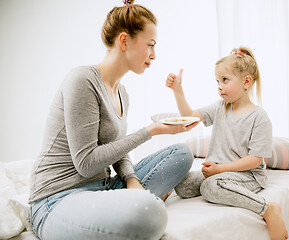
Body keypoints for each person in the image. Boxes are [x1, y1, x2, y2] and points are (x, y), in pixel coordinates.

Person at [28, 1, 198, 240]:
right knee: (152, 215)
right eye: (150, 45)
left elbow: (116, 149)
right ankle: (136, 207)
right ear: (124, 41)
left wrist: (131, 180)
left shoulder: (122, 93)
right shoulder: (82, 80)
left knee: (182, 153)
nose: (154, 55)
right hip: (58, 199)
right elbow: (86, 163)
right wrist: (150, 131)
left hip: (104, 188)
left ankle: (128, 203)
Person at [165, 47, 289, 240]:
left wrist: (220, 169)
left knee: (210, 187)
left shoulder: (259, 117)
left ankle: (268, 209)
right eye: (217, 81)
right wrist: (178, 91)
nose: (219, 86)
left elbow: (254, 160)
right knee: (182, 184)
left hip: (248, 175)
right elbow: (190, 117)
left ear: (246, 82)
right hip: (219, 171)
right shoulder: (220, 107)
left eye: (225, 80)